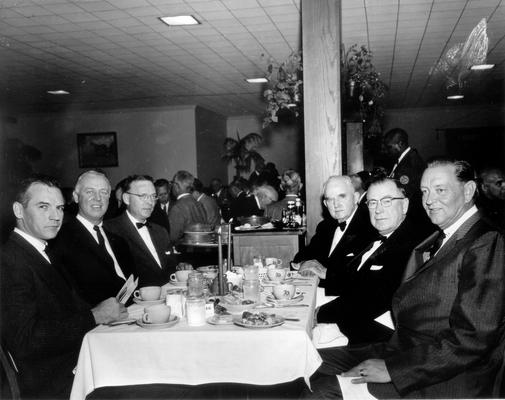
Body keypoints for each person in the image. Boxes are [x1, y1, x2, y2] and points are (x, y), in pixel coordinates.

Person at [308, 159, 505, 399]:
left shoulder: (486, 241)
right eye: (425, 191)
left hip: (447, 377)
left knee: (320, 391)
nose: (430, 200)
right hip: (406, 350)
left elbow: (473, 339)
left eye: (440, 190)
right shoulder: (441, 237)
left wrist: (393, 369)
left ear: (468, 191)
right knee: (309, 362)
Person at [1, 176, 127, 398]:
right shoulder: (9, 261)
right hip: (53, 383)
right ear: (19, 210)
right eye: (43, 207)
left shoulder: (42, 250)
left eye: (59, 207)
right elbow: (26, 340)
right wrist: (94, 316)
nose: (55, 216)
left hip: (73, 364)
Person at [315, 177, 430, 344]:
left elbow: (369, 300)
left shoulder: (408, 245)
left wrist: (319, 314)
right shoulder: (378, 238)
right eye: (373, 203)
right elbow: (353, 281)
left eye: (387, 201)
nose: (378, 210)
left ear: (404, 205)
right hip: (351, 323)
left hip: (373, 340)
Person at [50, 170, 134, 307]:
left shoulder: (119, 240)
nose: (98, 198)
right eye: (90, 192)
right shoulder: (61, 240)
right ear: (76, 197)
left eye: (103, 192)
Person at [294, 176, 376, 294]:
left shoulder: (369, 226)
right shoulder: (325, 226)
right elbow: (303, 255)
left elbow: (360, 277)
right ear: (325, 204)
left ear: (356, 198)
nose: (336, 204)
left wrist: (324, 271)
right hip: (318, 290)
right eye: (330, 199)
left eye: (342, 196)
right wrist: (305, 264)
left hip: (349, 297)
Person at [105, 175, 176, 286]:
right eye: (143, 196)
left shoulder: (160, 231)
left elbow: (170, 267)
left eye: (153, 196)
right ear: (126, 199)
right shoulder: (110, 230)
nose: (150, 202)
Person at [168, 170, 207, 243]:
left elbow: (172, 237)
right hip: (200, 249)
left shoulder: (177, 208)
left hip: (184, 250)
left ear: (176, 186)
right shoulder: (199, 204)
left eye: (172, 183)